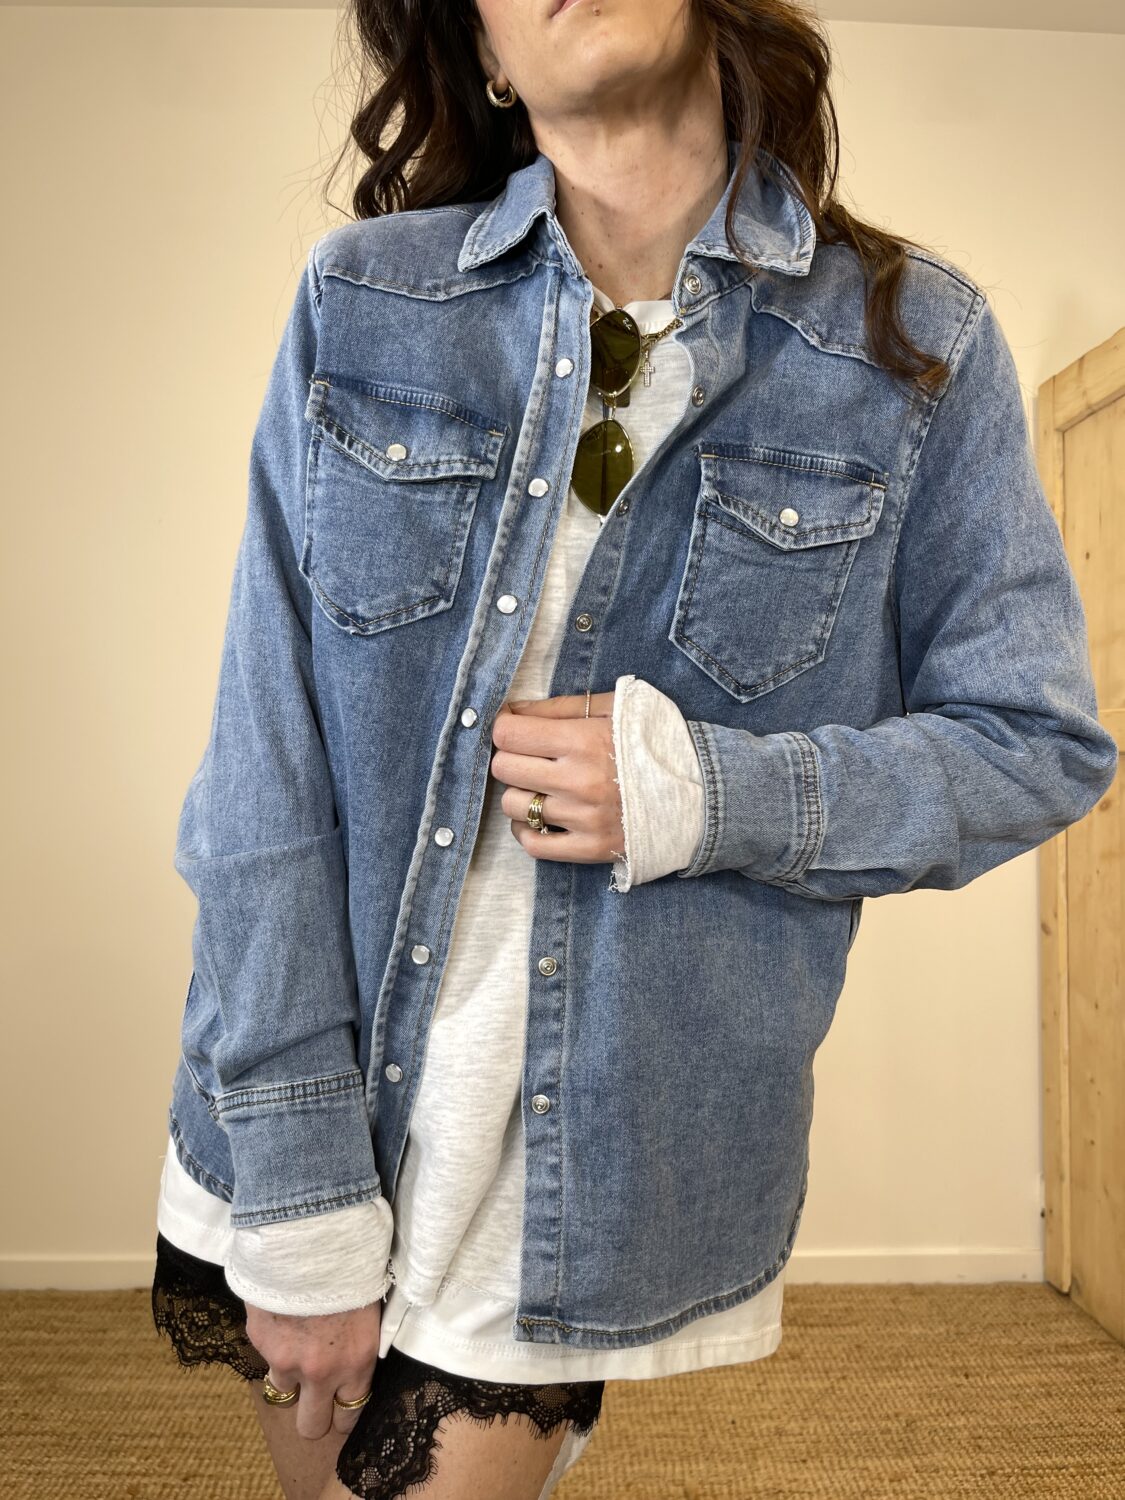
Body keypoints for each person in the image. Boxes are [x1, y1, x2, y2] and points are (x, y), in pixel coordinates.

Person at [149, 1, 1119, 1497]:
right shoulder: (365, 300)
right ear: (484, 54)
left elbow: (1034, 742)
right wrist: (296, 1180)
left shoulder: (915, 343)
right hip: (304, 1096)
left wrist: (707, 793)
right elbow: (264, 764)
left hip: (590, 1166)